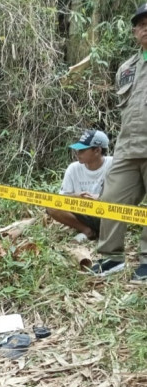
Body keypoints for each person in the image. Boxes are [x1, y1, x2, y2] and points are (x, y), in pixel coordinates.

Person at [90, 4, 147, 281]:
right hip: (127, 148)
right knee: (112, 200)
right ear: (135, 31)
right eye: (141, 23)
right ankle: (112, 257)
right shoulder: (126, 68)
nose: (146, 26)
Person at [46, 130, 113, 242]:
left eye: (82, 150)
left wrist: (100, 198)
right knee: (52, 205)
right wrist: (76, 196)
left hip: (107, 213)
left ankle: (106, 233)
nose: (77, 152)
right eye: (77, 149)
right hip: (82, 212)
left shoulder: (114, 165)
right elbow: (61, 199)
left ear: (97, 150)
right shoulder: (73, 169)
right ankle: (87, 231)